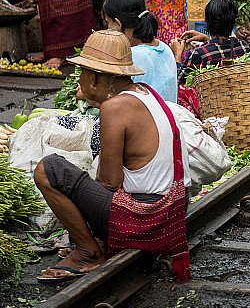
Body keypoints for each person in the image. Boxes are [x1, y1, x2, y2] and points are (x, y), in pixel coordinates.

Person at [33, 30, 190, 283]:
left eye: (82, 73)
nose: (79, 80)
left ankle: (88, 253)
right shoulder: (145, 93)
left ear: (94, 77)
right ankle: (95, 243)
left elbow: (109, 182)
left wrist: (81, 222)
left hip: (147, 218)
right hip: (173, 211)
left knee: (48, 169)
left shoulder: (114, 107)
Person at [103, 0, 177, 102]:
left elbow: (111, 96)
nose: (108, 29)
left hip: (145, 118)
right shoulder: (165, 48)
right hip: (168, 116)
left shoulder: (130, 56)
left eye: (108, 23)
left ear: (118, 24)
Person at [171, 0, 250, 83]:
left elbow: (178, 81)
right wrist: (207, 39)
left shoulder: (198, 54)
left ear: (206, 20)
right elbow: (220, 49)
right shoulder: (243, 46)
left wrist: (177, 54)